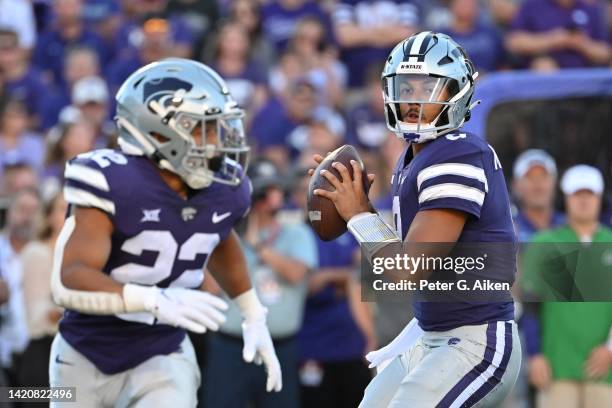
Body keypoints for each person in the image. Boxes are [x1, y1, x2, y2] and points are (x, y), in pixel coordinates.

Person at [48, 58, 282, 407]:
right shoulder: (114, 183)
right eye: (203, 128)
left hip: (162, 351)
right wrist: (153, 300)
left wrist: (252, 312)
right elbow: (69, 280)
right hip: (83, 353)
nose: (217, 141)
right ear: (157, 132)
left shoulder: (225, 187)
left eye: (218, 127)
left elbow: (217, 235)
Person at [311, 31, 521, 406]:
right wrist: (361, 207)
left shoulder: (459, 153)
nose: (414, 99)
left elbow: (409, 268)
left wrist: (358, 214)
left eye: (429, 88)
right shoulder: (414, 157)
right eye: (405, 88)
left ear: (457, 92)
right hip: (431, 335)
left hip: (475, 341)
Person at [203, 158, 317, 408]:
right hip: (231, 346)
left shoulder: (297, 233)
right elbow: (210, 288)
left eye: (271, 191)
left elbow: (296, 274)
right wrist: (231, 229)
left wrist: (259, 245)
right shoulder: (226, 237)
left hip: (281, 345)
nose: (266, 200)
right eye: (260, 192)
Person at [521, 165, 612, 407]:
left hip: (606, 372)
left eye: (589, 194)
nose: (583, 200)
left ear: (599, 197)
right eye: (577, 194)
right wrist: (535, 355)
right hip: (556, 369)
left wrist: (610, 349)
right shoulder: (544, 243)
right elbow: (530, 305)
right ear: (566, 198)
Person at [16, 191, 67, 387]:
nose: (72, 214)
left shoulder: (90, 255)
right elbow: (38, 315)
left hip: (77, 355)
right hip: (44, 355)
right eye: (63, 209)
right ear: (49, 216)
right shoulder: (37, 252)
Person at [506, 0, 610, 70]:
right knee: (544, 65)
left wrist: (582, 44)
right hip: (545, 70)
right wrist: (552, 40)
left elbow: (606, 52)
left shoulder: (589, 7)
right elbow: (514, 42)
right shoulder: (533, 5)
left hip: (585, 74)